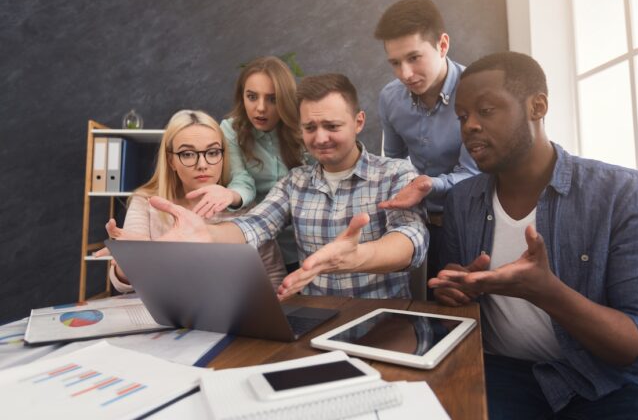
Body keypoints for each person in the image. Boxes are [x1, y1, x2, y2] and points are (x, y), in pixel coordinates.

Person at [428, 52, 638, 419]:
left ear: (537, 107)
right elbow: (451, 316)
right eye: (462, 116)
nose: (469, 125)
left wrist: (549, 293)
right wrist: (454, 295)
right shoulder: (461, 200)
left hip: (596, 384)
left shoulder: (624, 193)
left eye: (485, 111)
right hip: (496, 374)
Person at [108, 74, 429, 300]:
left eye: (332, 126)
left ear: (358, 122)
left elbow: (412, 240)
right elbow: (254, 225)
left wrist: (357, 257)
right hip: (318, 324)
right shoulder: (294, 183)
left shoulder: (397, 173)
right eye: (310, 127)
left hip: (387, 319)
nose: (320, 138)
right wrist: (206, 234)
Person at [103, 110, 286, 292]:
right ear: (171, 161)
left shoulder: (242, 207)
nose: (202, 164)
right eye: (188, 154)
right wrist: (127, 261)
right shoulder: (144, 202)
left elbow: (274, 275)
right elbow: (123, 284)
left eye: (213, 152)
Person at [373, 0, 478, 283]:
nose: (405, 74)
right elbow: (392, 164)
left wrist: (428, 185)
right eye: (395, 63)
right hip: (416, 226)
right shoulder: (389, 98)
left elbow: (473, 172)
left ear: (443, 45)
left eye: (414, 58)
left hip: (473, 222)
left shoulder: (477, 90)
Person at [185, 56, 305, 271]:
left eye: (272, 99)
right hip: (259, 244)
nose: (260, 108)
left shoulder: (303, 130)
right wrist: (231, 195)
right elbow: (242, 179)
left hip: (303, 244)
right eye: (252, 97)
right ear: (242, 96)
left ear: (286, 99)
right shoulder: (231, 130)